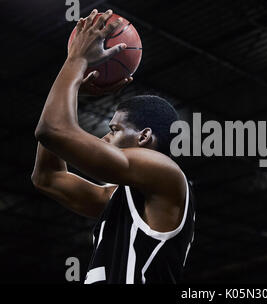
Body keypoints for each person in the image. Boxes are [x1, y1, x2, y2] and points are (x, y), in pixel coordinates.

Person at [31, 9, 195, 284]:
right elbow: (48, 178)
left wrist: (76, 62)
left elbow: (52, 131)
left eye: (115, 130)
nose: (105, 138)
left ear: (144, 137)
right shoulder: (117, 198)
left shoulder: (166, 174)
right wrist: (75, 91)